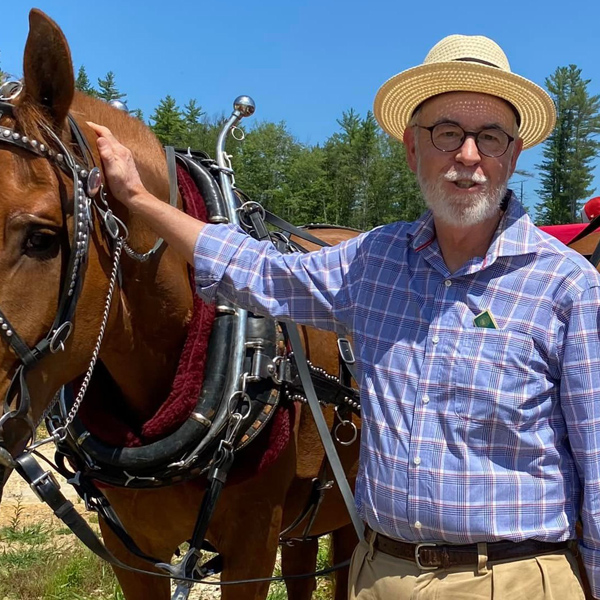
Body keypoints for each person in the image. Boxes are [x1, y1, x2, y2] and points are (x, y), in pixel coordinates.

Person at [89, 34, 600, 600]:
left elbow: (598, 469)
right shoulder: (373, 263)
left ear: (514, 154)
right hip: (383, 575)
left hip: (518, 578)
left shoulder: (568, 286)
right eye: (446, 132)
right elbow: (255, 271)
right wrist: (140, 200)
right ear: (412, 149)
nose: (469, 155)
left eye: (491, 137)